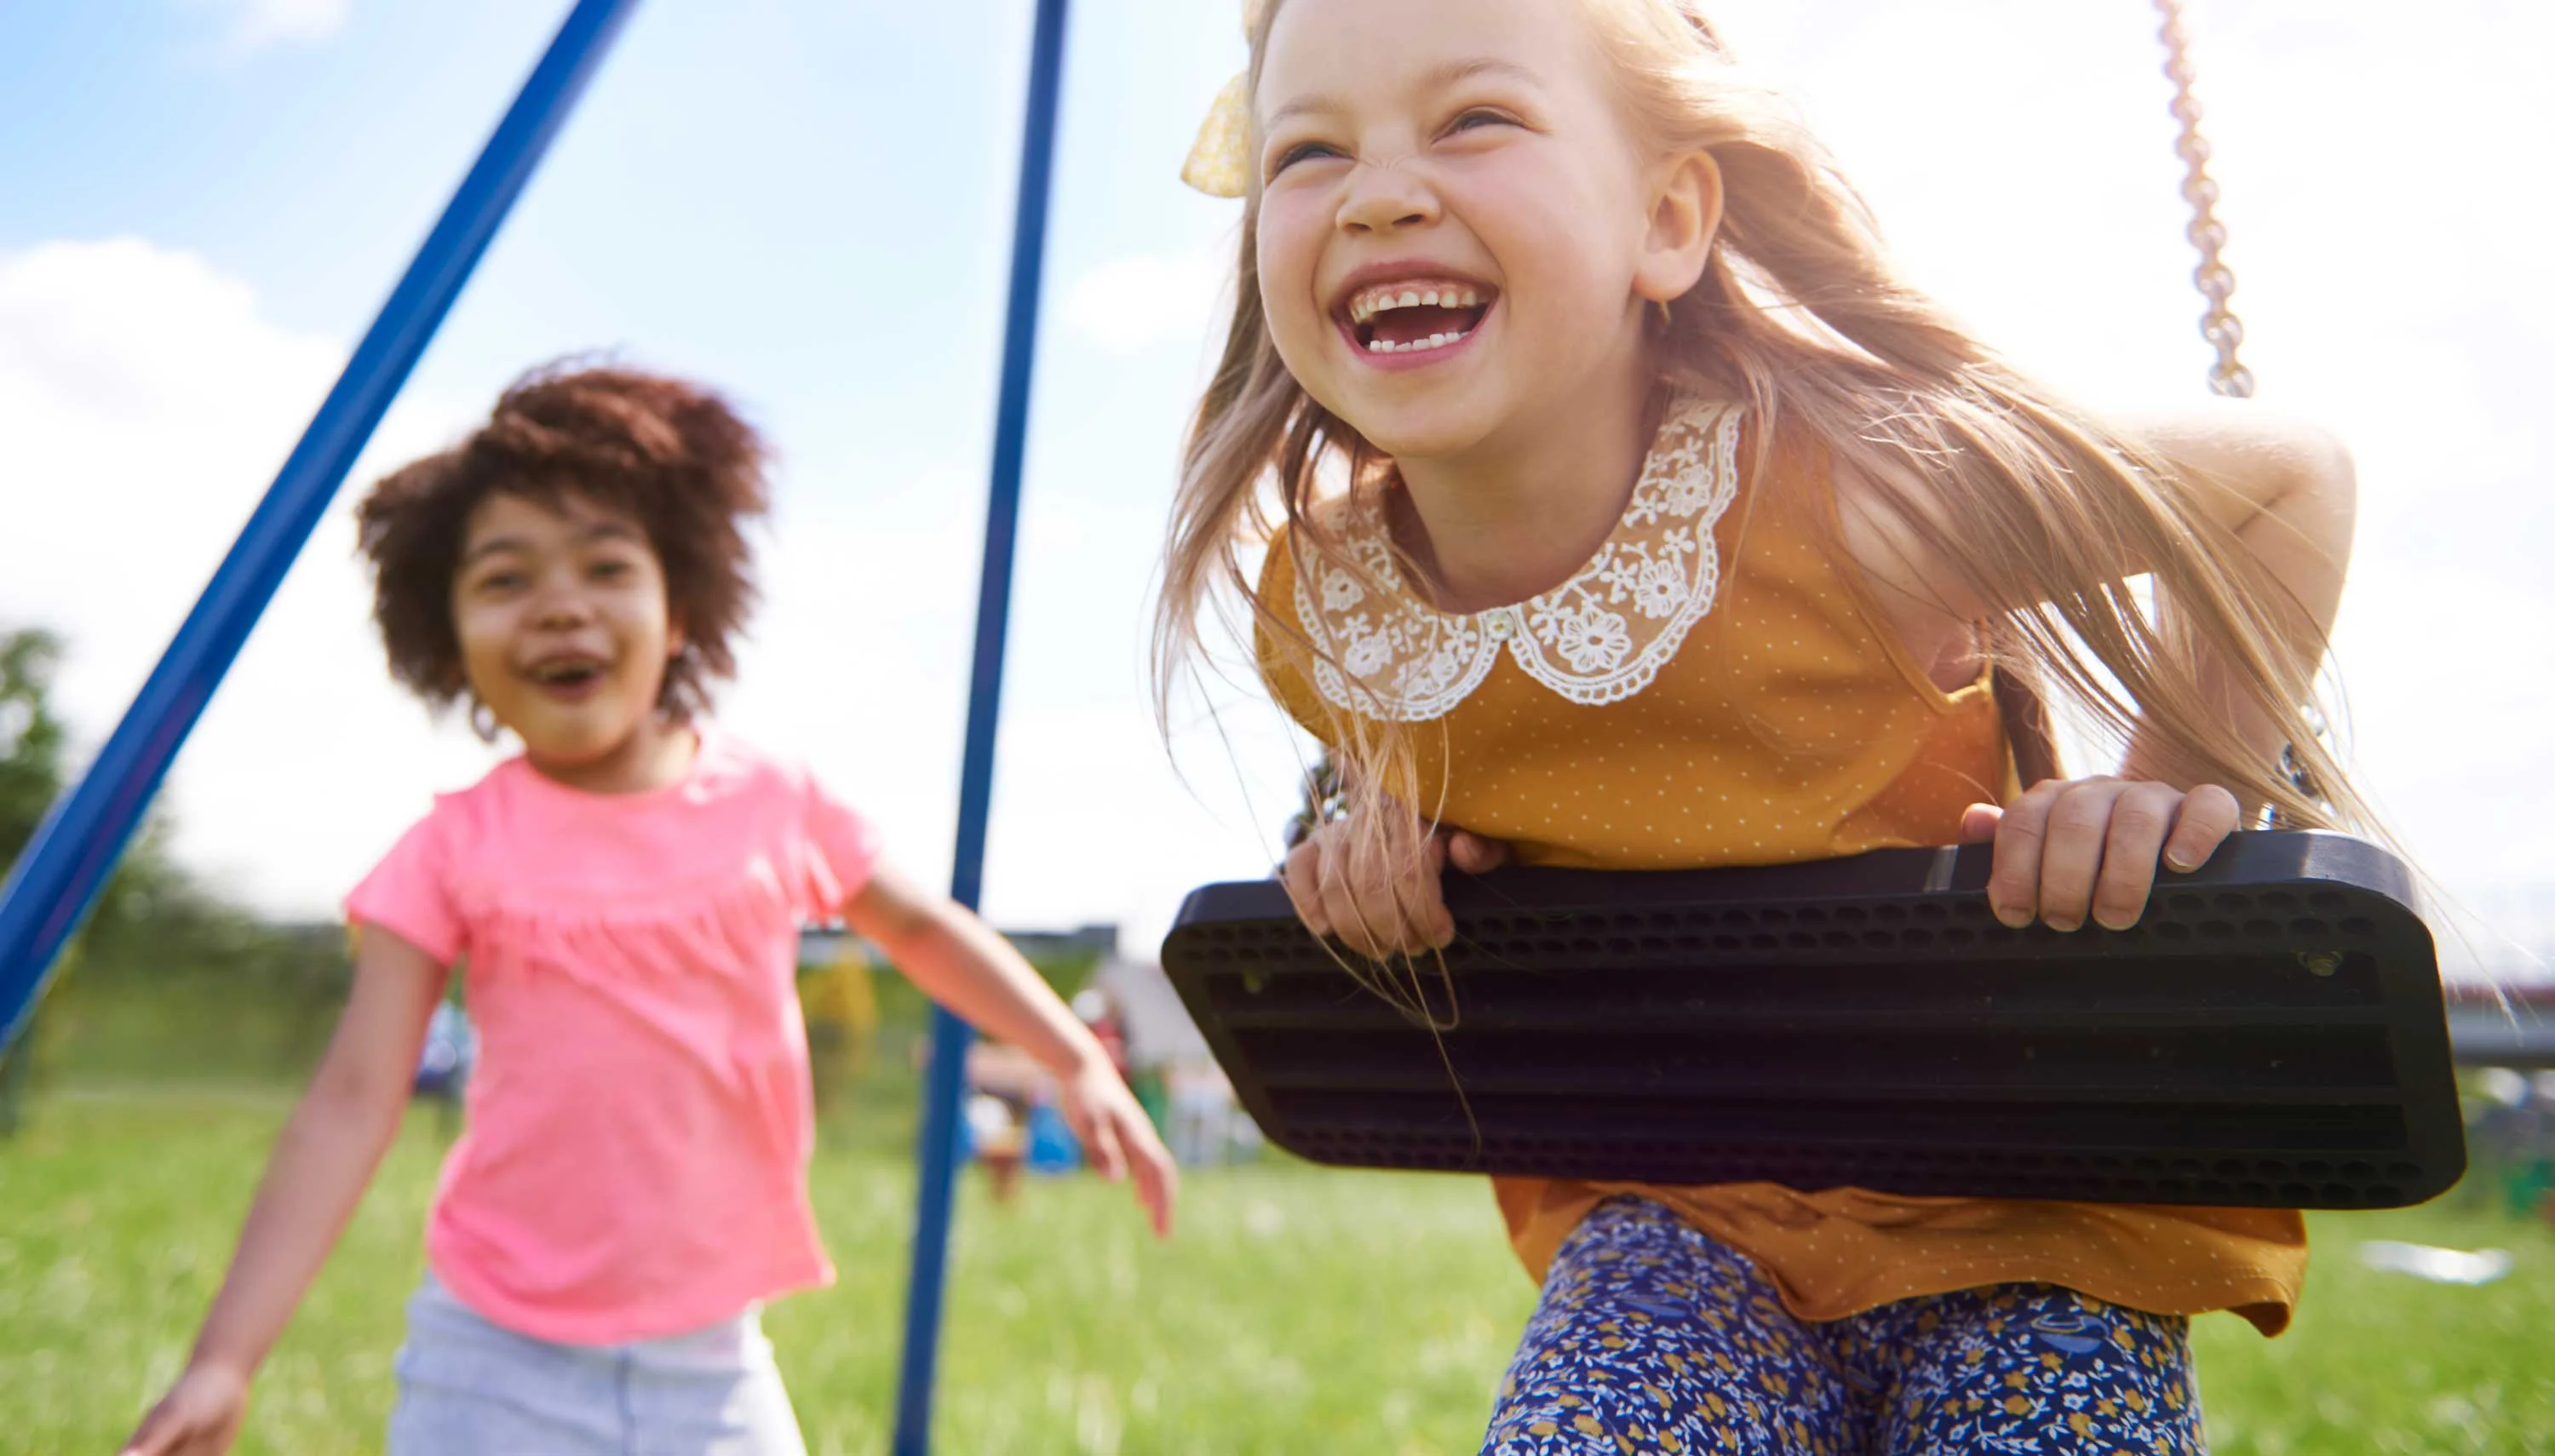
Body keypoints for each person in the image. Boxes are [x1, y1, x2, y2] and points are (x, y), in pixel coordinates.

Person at [1155, 1, 2375, 1450]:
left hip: (2034, 1205)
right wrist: (1371, 850)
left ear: (1666, 219)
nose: (1381, 192)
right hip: (1681, 1214)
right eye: (1310, 149)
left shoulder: (1849, 504)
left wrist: (2160, 790)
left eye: (1474, 119)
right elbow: (1453, 782)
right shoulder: (1327, 611)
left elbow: (2284, 481)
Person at [123, 364, 1176, 1456]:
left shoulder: (773, 802)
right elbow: (351, 1098)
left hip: (710, 1364)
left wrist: (1073, 1056)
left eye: (606, 566)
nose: (562, 602)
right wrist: (223, 1361)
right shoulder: (450, 850)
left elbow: (920, 929)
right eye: (504, 578)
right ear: (451, 644)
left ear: (680, 612)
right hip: (489, 1360)